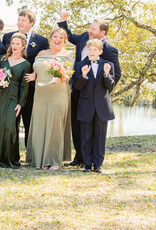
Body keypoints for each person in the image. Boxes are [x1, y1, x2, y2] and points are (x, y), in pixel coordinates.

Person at [57, 12, 121, 166]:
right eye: (90, 27)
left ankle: (94, 161)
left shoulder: (109, 50)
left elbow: (116, 74)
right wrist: (63, 22)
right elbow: (70, 36)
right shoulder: (84, 37)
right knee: (78, 125)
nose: (90, 31)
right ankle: (80, 157)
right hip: (78, 88)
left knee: (96, 130)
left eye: (94, 29)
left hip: (96, 94)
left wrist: (102, 92)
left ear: (103, 33)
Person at [24, 28, 73, 170]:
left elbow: (68, 75)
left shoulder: (67, 55)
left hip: (59, 93)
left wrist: (61, 78)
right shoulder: (41, 53)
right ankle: (42, 159)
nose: (57, 39)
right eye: (55, 36)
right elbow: (36, 69)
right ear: (50, 38)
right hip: (40, 93)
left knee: (56, 125)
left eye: (61, 38)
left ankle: (55, 160)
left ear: (64, 41)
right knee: (41, 123)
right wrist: (34, 75)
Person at [2, 9, 49, 149]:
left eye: (23, 20)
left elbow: (44, 63)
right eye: (19, 19)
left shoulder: (41, 41)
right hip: (11, 87)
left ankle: (30, 153)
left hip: (31, 88)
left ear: (32, 23)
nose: (20, 22)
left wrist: (37, 75)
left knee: (30, 120)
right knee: (11, 120)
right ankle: (11, 152)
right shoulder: (7, 37)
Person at [0, 33, 31, 168]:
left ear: (22, 46)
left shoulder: (26, 64)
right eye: (13, 43)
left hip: (12, 98)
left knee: (9, 127)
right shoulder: (2, 58)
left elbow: (24, 87)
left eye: (18, 44)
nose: (14, 46)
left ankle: (8, 157)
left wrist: (20, 104)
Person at [72, 39, 116, 173]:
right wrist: (84, 76)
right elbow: (76, 87)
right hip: (86, 105)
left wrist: (107, 75)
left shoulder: (108, 65)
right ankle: (86, 164)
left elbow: (110, 86)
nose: (91, 52)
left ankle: (97, 164)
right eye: (89, 49)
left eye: (94, 50)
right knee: (86, 136)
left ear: (100, 51)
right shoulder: (80, 64)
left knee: (100, 136)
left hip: (102, 106)